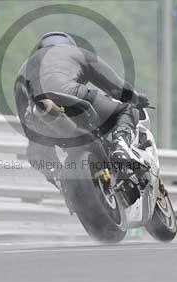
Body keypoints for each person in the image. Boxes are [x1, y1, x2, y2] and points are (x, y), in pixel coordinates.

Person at [13, 31, 149, 184]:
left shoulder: (23, 69)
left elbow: (25, 120)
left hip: (39, 112)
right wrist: (136, 98)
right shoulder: (78, 53)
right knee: (126, 110)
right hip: (72, 95)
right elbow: (117, 89)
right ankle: (121, 148)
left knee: (36, 149)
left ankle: (60, 180)